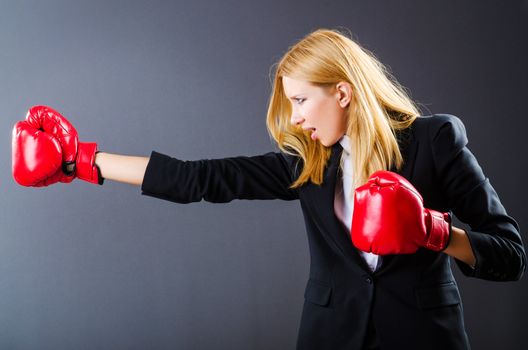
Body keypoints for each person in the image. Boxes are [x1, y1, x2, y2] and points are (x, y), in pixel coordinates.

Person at [11, 28, 525, 350]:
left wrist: (436, 233)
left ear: (342, 92)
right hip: (330, 338)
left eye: (302, 101)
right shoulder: (309, 164)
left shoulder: (435, 143)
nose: (296, 120)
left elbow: (510, 255)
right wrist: (82, 161)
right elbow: (200, 179)